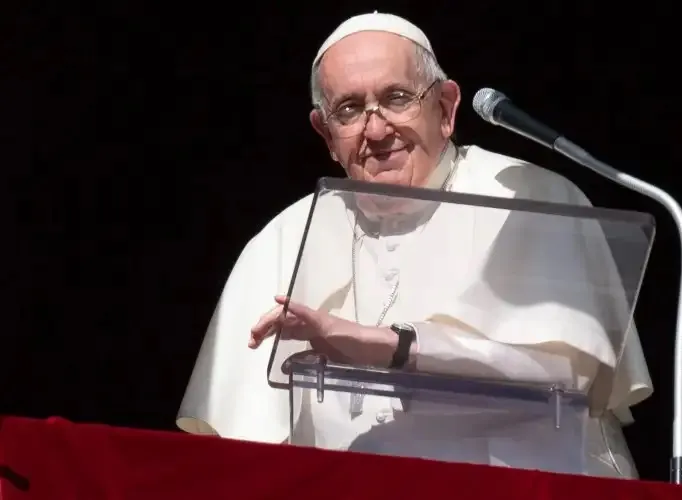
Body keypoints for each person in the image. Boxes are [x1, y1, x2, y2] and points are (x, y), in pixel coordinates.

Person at [177, 12, 653, 478]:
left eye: (397, 98)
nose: (376, 131)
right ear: (325, 133)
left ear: (445, 109)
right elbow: (246, 454)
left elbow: (570, 371)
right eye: (349, 109)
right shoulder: (283, 240)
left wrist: (394, 346)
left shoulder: (528, 199)